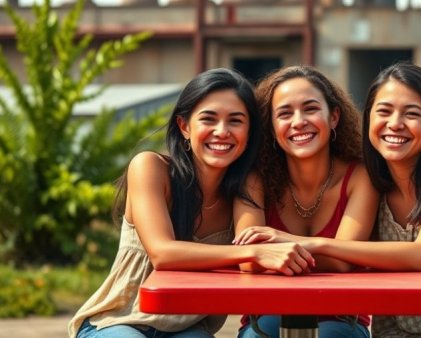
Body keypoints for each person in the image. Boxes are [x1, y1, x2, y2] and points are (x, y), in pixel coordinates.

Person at [252, 62, 421, 337]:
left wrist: (312, 243)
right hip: (400, 330)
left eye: (410, 114)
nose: (395, 124)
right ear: (369, 120)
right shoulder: (374, 179)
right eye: (384, 112)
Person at [68, 68, 315, 338]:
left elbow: (250, 260)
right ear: (184, 127)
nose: (222, 132)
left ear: (250, 131)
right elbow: (163, 253)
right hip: (118, 320)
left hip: (187, 328)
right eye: (209, 119)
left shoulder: (247, 186)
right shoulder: (151, 168)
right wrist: (254, 252)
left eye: (235, 121)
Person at [233, 65, 379, 338]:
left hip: (341, 316)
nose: (298, 121)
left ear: (334, 117)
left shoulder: (360, 176)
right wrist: (328, 251)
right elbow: (249, 260)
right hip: (265, 315)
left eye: (310, 109)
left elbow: (343, 262)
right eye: (285, 113)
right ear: (271, 125)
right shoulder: (254, 180)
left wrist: (278, 242)